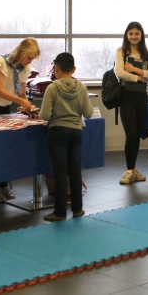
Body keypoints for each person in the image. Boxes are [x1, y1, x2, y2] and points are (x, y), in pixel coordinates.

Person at [0, 38, 40, 203]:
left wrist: (28, 107)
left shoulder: (24, 68)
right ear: (22, 53)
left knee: (3, 148)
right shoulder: (0, 63)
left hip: (4, 107)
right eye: (29, 58)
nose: (30, 62)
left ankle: (4, 186)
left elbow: (22, 93)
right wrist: (20, 101)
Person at [40, 52, 93, 221]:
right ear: (74, 69)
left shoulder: (52, 88)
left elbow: (45, 115)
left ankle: (60, 212)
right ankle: (77, 209)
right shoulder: (82, 87)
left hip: (57, 132)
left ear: (56, 68)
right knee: (75, 171)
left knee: (60, 172)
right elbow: (89, 113)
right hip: (76, 132)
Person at [115, 22, 148, 184]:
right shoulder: (121, 51)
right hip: (127, 97)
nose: (133, 36)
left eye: (137, 33)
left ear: (141, 35)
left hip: (142, 97)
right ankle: (128, 170)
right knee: (131, 134)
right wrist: (140, 77)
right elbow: (119, 72)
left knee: (137, 134)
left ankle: (133, 170)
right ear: (127, 35)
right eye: (131, 33)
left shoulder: (145, 54)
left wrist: (134, 69)